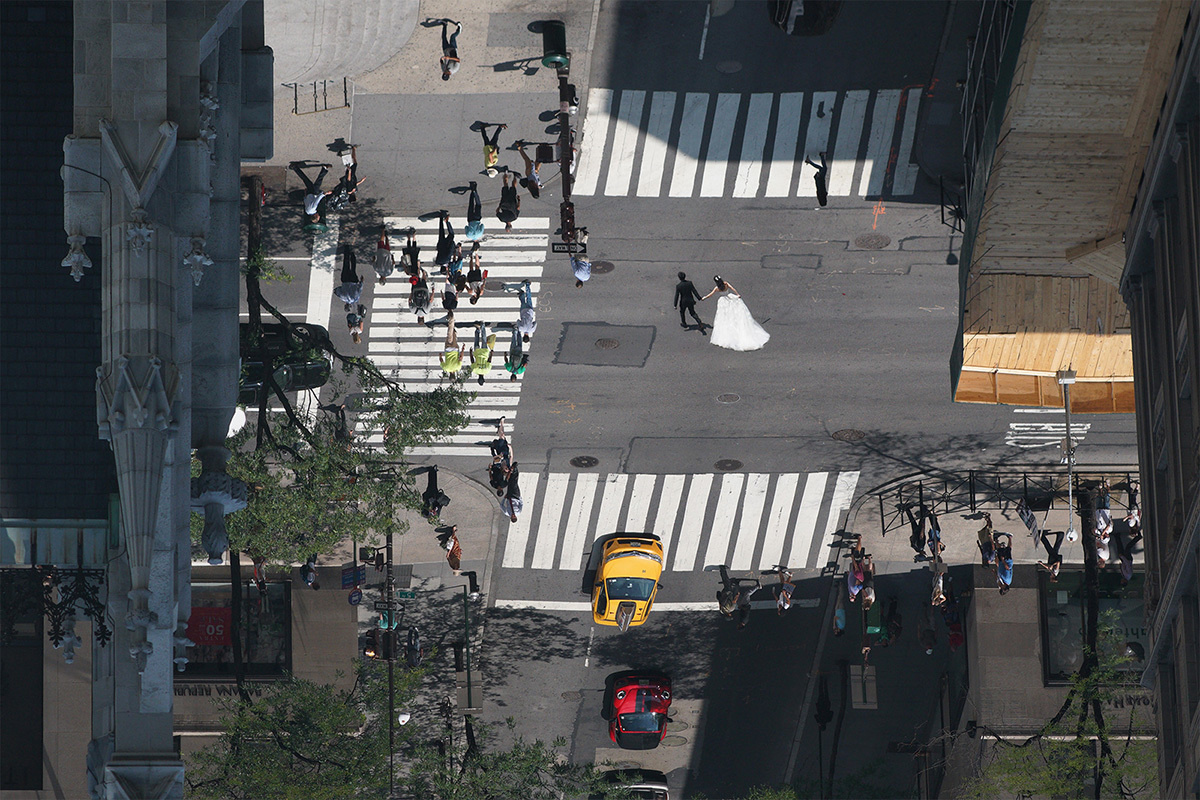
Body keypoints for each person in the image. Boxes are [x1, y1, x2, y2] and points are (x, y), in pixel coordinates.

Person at [700, 275, 770, 351]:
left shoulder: (717, 288)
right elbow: (733, 288)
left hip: (723, 302)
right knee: (735, 312)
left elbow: (711, 294)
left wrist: (704, 297)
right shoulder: (726, 284)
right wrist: (737, 294)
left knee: (725, 316)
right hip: (730, 297)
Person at [488, 419, 512, 493]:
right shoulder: (504, 484)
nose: (499, 488)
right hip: (502, 461)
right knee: (502, 437)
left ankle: (500, 427)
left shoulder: (494, 485)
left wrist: (489, 469)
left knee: (501, 438)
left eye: (499, 490)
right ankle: (501, 424)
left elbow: (491, 477)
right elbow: (508, 476)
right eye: (500, 490)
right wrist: (509, 470)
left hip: (496, 466)